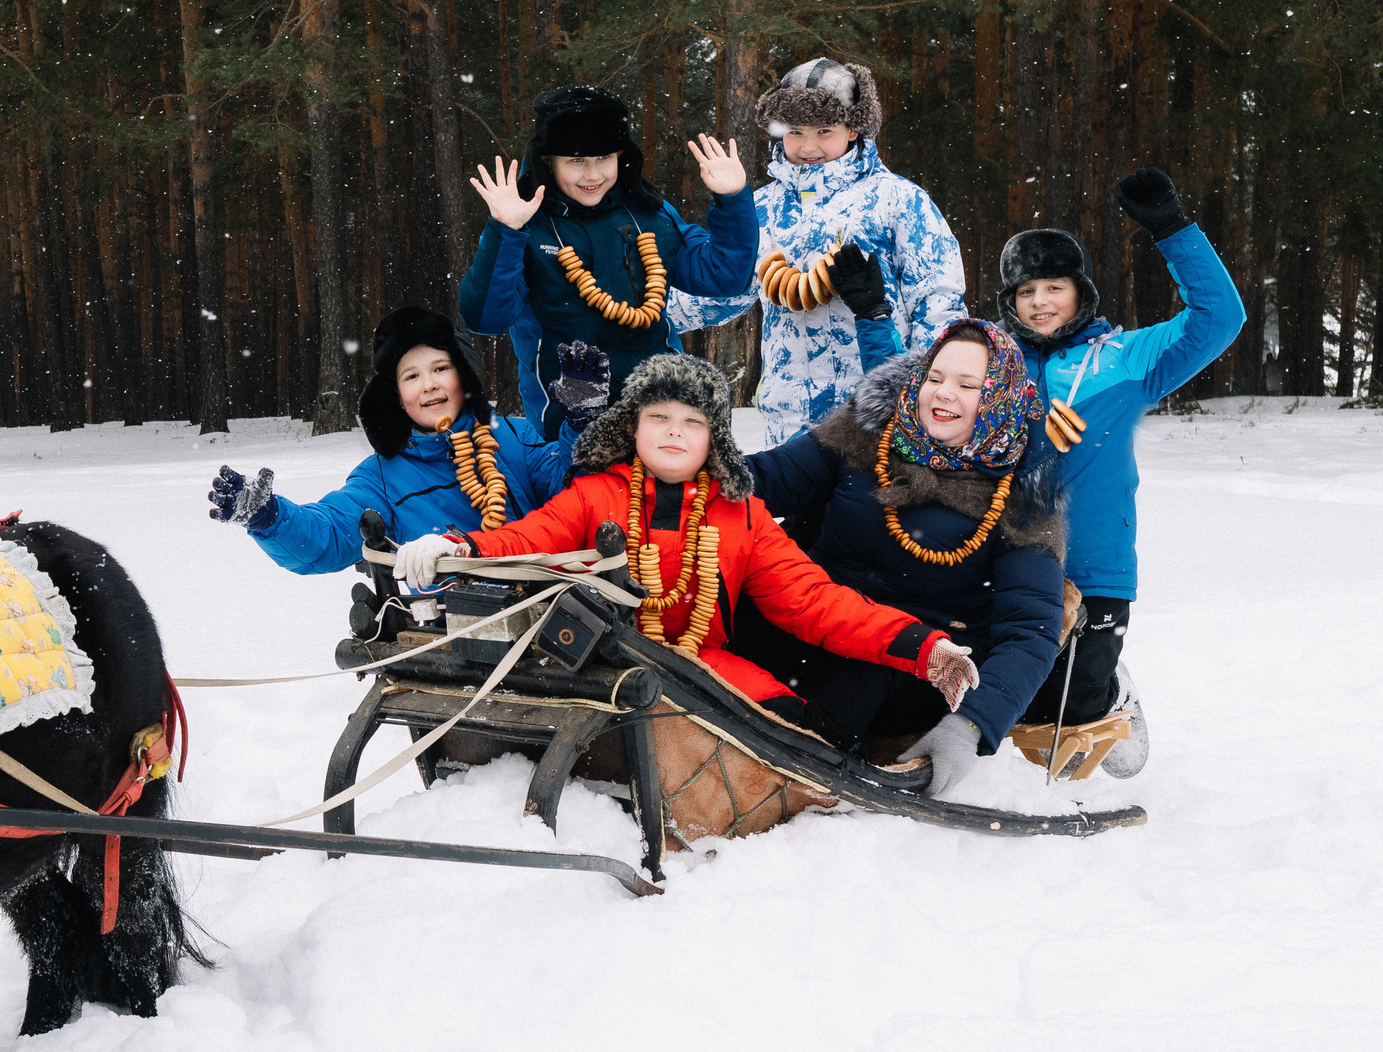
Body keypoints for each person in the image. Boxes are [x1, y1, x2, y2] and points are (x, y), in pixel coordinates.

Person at [393, 355, 980, 780]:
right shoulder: (592, 494)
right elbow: (526, 539)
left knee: (798, 740)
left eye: (693, 422)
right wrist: (457, 547)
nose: (675, 430)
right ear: (633, 428)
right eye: (660, 417)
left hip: (705, 666)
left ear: (714, 443)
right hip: (606, 666)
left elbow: (814, 601)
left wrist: (922, 646)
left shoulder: (742, 515)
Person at [736, 321, 1066, 800]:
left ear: (999, 397)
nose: (944, 394)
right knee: (727, 614)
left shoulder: (1024, 495)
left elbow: (1030, 631)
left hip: (917, 661)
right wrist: (678, 463)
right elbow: (770, 476)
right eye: (935, 377)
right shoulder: (871, 430)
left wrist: (972, 727)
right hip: (819, 616)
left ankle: (774, 785)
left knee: (855, 680)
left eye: (969, 385)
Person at [999, 167, 1247, 777]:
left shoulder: (1126, 358)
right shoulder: (989, 362)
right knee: (1025, 709)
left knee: (1076, 715)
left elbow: (1219, 318)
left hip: (1095, 556)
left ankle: (1110, 694)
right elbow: (917, 398)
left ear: (1080, 292)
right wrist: (874, 311)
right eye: (1026, 292)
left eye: (1053, 287)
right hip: (1010, 555)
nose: (1040, 303)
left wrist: (1172, 228)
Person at [669, 58, 967, 446]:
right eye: (795, 131)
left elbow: (938, 302)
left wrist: (929, 394)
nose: (808, 147)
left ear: (853, 128)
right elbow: (724, 291)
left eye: (824, 131)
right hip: (787, 415)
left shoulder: (898, 200)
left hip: (876, 409)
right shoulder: (762, 208)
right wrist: (642, 313)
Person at [457, 84, 759, 428]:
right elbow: (484, 319)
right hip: (567, 422)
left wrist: (733, 198)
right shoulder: (522, 224)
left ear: (621, 157)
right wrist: (505, 231)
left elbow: (725, 276)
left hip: (658, 414)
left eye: (604, 158)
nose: (593, 175)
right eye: (576, 160)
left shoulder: (650, 214)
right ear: (548, 162)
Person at [208, 305, 595, 575]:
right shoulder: (382, 475)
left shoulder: (514, 436)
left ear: (464, 377)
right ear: (395, 395)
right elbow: (329, 534)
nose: (428, 385)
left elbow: (573, 485)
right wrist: (271, 517)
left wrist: (580, 419)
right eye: (411, 376)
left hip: (546, 602)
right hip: (449, 631)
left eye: (440, 368)